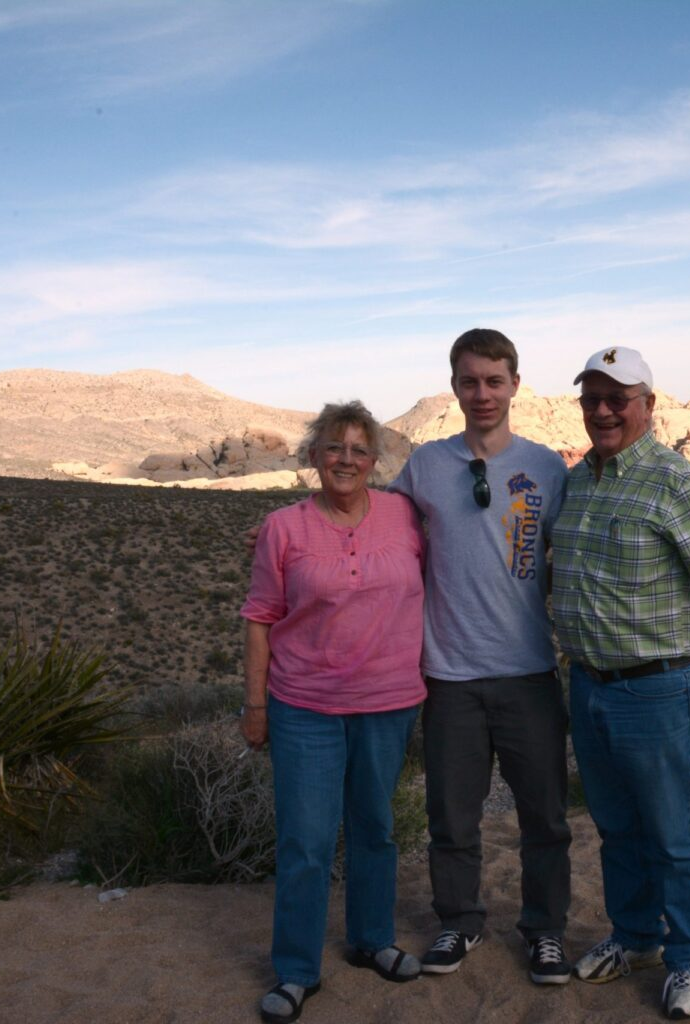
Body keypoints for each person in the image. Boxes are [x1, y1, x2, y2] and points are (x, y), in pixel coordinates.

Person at [550, 347, 690, 1019]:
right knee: (616, 828)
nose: (603, 411)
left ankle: (689, 955)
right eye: (592, 399)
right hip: (591, 685)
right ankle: (635, 937)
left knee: (673, 833)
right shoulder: (580, 479)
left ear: (647, 406)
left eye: (618, 399)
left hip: (659, 690)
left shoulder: (674, 480)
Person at [390, 328, 574, 985]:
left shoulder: (547, 466)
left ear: (515, 385)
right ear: (454, 387)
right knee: (451, 815)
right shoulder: (424, 466)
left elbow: (580, 553)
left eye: (494, 381)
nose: (482, 393)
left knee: (544, 817)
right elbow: (368, 525)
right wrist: (281, 529)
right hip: (449, 676)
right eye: (469, 381)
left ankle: (545, 931)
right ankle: (458, 922)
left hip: (528, 672)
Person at [240, 401, 427, 1024]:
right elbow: (260, 619)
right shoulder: (283, 528)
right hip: (305, 707)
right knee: (306, 841)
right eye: (333, 447)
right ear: (313, 455)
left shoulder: (406, 514)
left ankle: (372, 940)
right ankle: (296, 971)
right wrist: (255, 704)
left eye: (358, 449)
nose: (345, 459)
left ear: (375, 461)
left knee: (375, 829)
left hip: (387, 702)